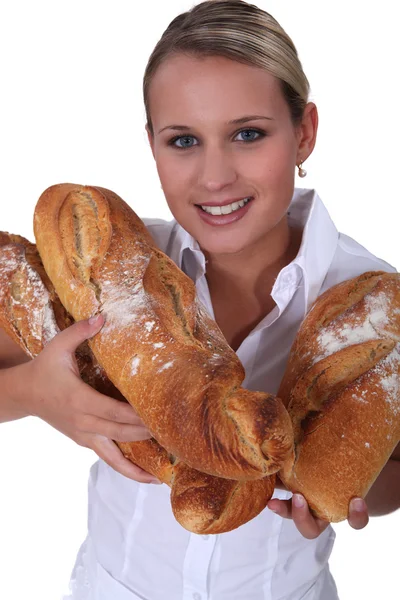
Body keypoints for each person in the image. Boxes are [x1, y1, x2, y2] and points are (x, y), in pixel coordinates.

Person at [1, 1, 399, 598]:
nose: (215, 176)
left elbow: (393, 469)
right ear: (152, 145)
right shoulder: (111, 272)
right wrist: (36, 395)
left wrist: (353, 494)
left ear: (305, 133)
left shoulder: (373, 305)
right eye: (183, 140)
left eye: (247, 134)